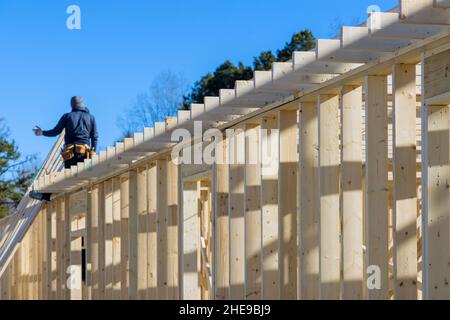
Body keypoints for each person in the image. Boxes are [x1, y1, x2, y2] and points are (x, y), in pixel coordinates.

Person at [30, 96, 98, 201]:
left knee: (66, 176)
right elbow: (95, 136)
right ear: (83, 104)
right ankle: (86, 197)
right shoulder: (91, 117)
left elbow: (56, 131)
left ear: (72, 105)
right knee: (86, 176)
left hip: (70, 153)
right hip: (86, 153)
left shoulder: (67, 116)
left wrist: (42, 132)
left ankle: (46, 196)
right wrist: (93, 151)